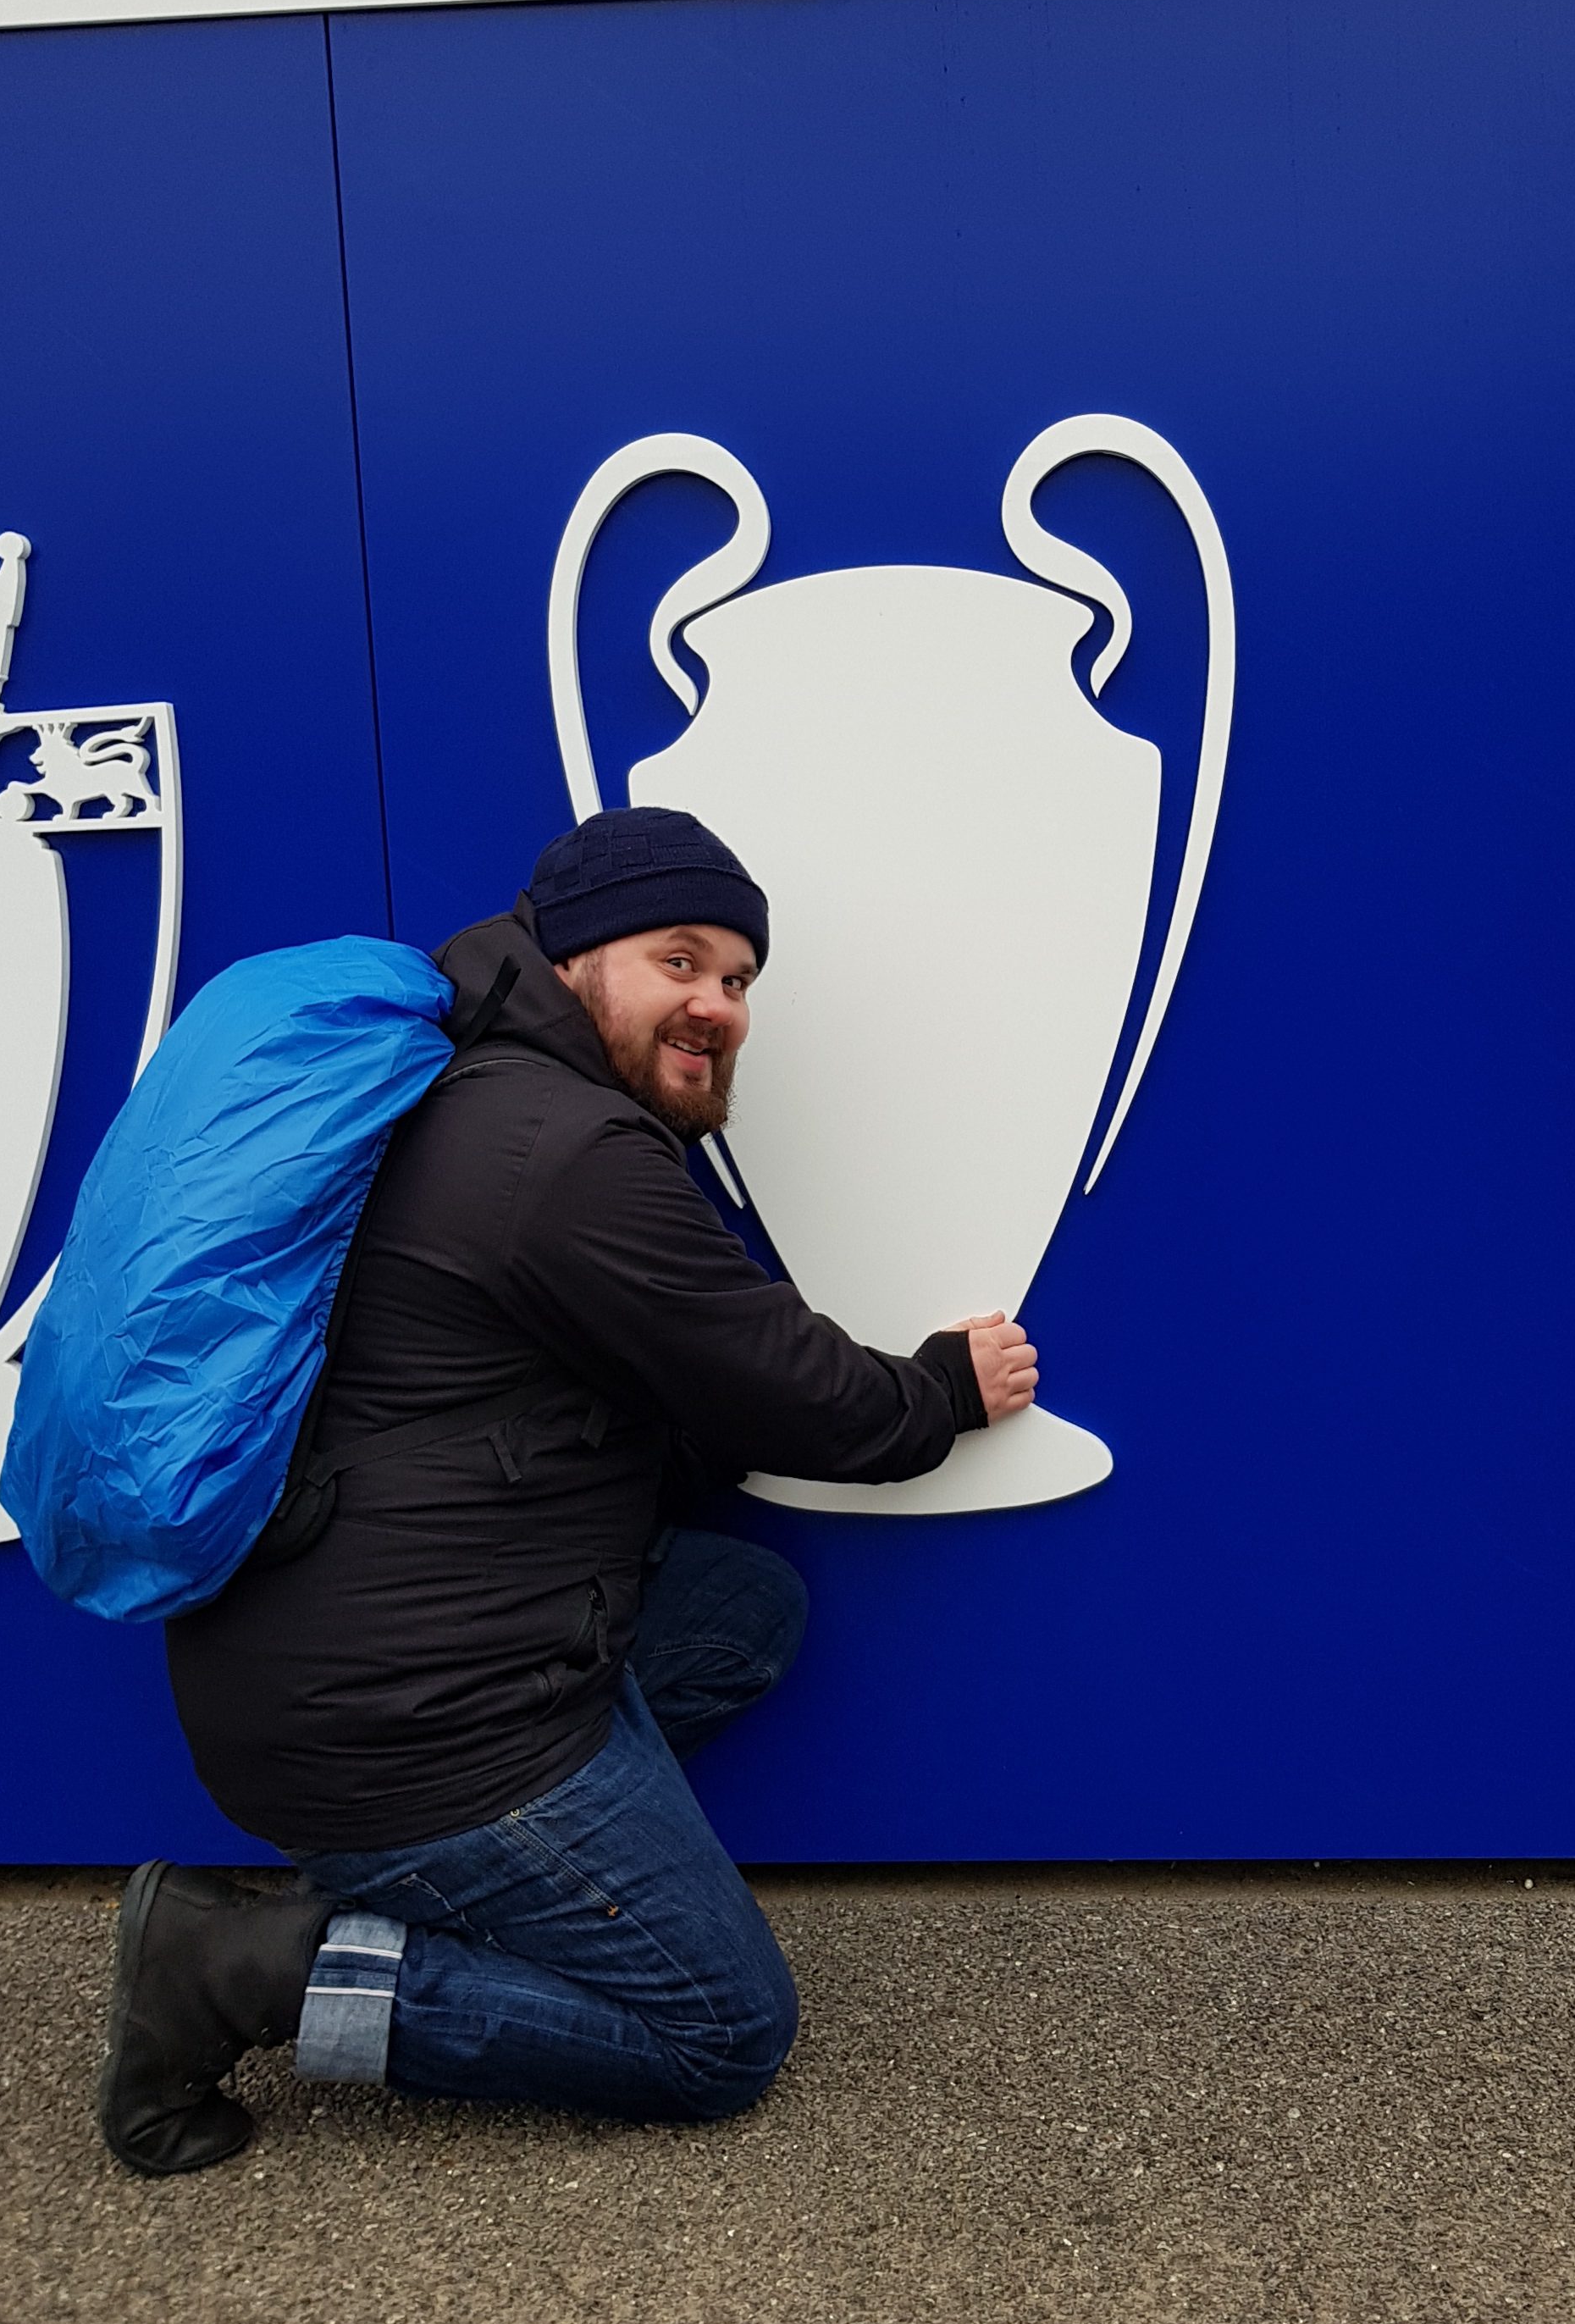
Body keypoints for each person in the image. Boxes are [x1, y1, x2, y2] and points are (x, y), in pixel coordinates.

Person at [100, 806, 1036, 2177]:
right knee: (720, 2032)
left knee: (739, 1606)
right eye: (680, 960)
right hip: (404, 1722)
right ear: (581, 957)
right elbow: (802, 1393)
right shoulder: (564, 1154)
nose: (717, 1005)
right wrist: (944, 1390)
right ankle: (248, 1968)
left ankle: (447, 1883)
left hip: (333, 1656)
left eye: (738, 979)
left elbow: (630, 1393)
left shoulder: (471, 1091)